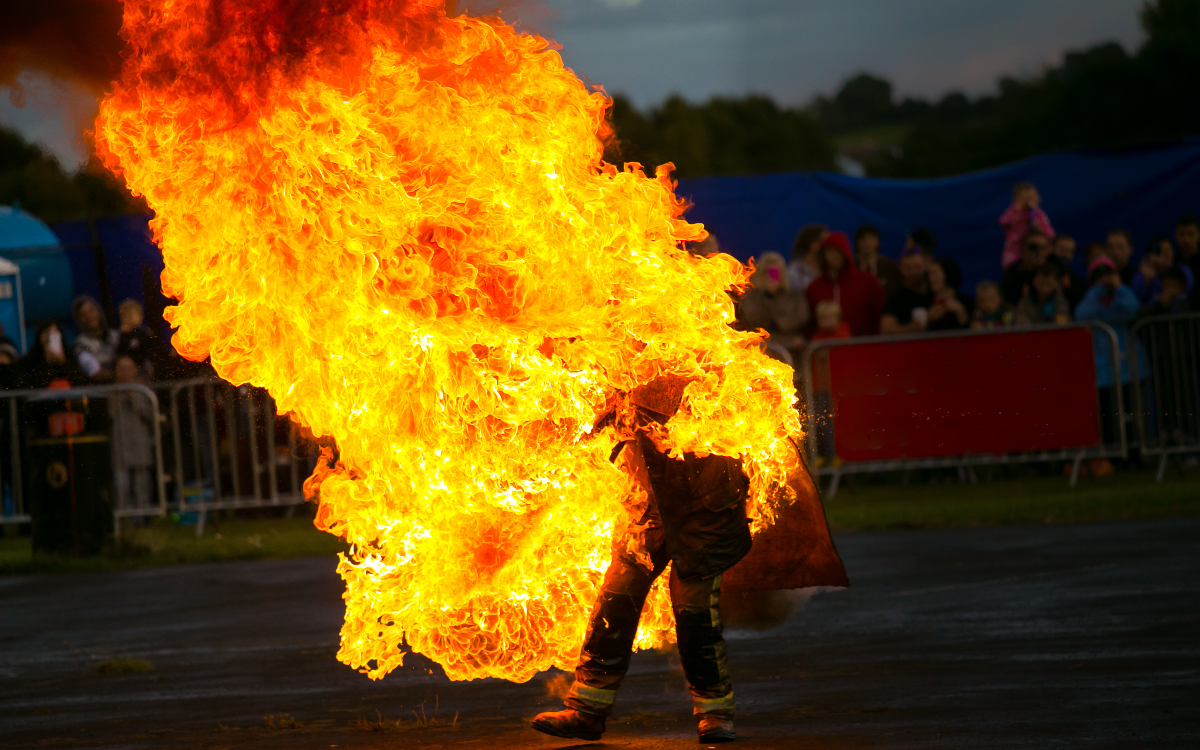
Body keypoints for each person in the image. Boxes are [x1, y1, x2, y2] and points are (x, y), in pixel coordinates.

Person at [530, 380, 756, 743]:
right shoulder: (626, 360)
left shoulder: (706, 366)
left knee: (695, 615)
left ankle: (715, 713)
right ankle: (587, 710)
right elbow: (595, 421)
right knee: (614, 603)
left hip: (705, 510)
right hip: (646, 508)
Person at [1076, 256, 1144, 451]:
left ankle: (1134, 453)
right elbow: (1081, 314)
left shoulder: (1124, 294)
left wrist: (1119, 288)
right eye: (1100, 276)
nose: (1105, 279)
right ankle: (1113, 453)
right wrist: (1097, 291)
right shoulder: (1092, 297)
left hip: (1128, 366)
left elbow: (1133, 309)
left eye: (1109, 275)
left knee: (1132, 413)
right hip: (1103, 369)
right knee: (1108, 414)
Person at [805, 231, 886, 337]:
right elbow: (810, 323)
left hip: (863, 347)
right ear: (823, 254)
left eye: (838, 250)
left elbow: (879, 314)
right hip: (824, 350)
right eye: (829, 251)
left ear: (845, 252)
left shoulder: (867, 280)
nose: (834, 255)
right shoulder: (814, 287)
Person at [737, 251, 808, 361]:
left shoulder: (794, 295)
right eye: (767, 272)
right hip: (762, 351)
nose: (772, 276)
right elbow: (751, 319)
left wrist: (780, 323)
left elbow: (802, 317)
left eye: (775, 272)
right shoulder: (751, 297)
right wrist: (767, 296)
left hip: (792, 349)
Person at [111, 355, 156, 518]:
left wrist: (134, 399)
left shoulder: (143, 391)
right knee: (121, 486)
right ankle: (125, 520)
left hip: (140, 444)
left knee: (142, 484)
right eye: (121, 369)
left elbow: (150, 416)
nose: (125, 373)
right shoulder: (111, 392)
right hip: (120, 446)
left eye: (129, 368)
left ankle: (143, 518)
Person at [11, 322, 89, 389]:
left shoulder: (70, 358)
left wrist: (63, 363)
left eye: (54, 333)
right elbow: (31, 386)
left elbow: (80, 383)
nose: (50, 336)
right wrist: (47, 364)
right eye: (46, 332)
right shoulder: (29, 361)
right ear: (39, 336)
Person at [999, 181, 1054, 269]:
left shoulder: (1039, 214)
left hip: (1040, 252)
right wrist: (1017, 208)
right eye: (1024, 198)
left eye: (1031, 197)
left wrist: (1040, 229)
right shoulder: (1013, 213)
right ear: (1016, 199)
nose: (1028, 201)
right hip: (1016, 253)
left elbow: (1050, 233)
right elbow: (1004, 222)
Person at [880, 248, 933, 334]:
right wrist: (911, 328)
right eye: (908, 268)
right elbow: (886, 329)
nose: (913, 272)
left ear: (926, 266)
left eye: (917, 267)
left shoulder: (936, 291)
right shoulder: (896, 298)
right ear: (901, 268)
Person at [71, 295, 120, 383]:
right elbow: (95, 373)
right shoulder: (80, 344)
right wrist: (123, 375)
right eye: (83, 314)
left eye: (91, 311)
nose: (89, 316)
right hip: (103, 391)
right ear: (79, 320)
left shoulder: (115, 335)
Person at [1132, 236, 1194, 304]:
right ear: (1151, 254)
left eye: (1169, 250)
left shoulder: (1183, 270)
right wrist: (1147, 280)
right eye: (1162, 251)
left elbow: (1190, 293)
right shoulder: (1143, 276)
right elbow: (1136, 300)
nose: (1167, 254)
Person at [116, 299, 167, 379]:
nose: (128, 319)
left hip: (144, 371)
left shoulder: (146, 334)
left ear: (140, 316)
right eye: (124, 315)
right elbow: (119, 354)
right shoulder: (119, 335)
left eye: (131, 315)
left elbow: (154, 354)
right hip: (126, 373)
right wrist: (124, 335)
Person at [1000, 230, 1050, 306]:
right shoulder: (1012, 274)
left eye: (1042, 248)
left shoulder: (1057, 271)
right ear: (1022, 249)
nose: (1038, 252)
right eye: (1033, 247)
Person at [854, 224, 902, 295]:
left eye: (871, 239)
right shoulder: (851, 267)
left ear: (877, 241)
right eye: (863, 239)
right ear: (857, 243)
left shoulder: (890, 267)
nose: (867, 243)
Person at [925, 257, 971, 331]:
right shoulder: (925, 303)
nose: (930, 279)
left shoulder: (968, 302)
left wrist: (961, 312)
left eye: (934, 274)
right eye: (929, 275)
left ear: (948, 273)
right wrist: (928, 319)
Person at [786, 224, 828, 296]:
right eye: (826, 242)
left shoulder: (831, 272)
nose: (830, 247)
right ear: (814, 245)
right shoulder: (792, 274)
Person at [1052, 234, 1087, 311]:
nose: (1066, 255)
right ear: (1052, 249)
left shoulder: (1078, 283)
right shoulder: (1039, 276)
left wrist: (1066, 288)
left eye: (1069, 251)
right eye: (1062, 250)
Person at [1174, 214, 1200, 307]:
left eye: (1190, 234)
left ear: (1198, 234)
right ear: (1176, 236)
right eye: (1182, 234)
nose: (1186, 239)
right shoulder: (1173, 262)